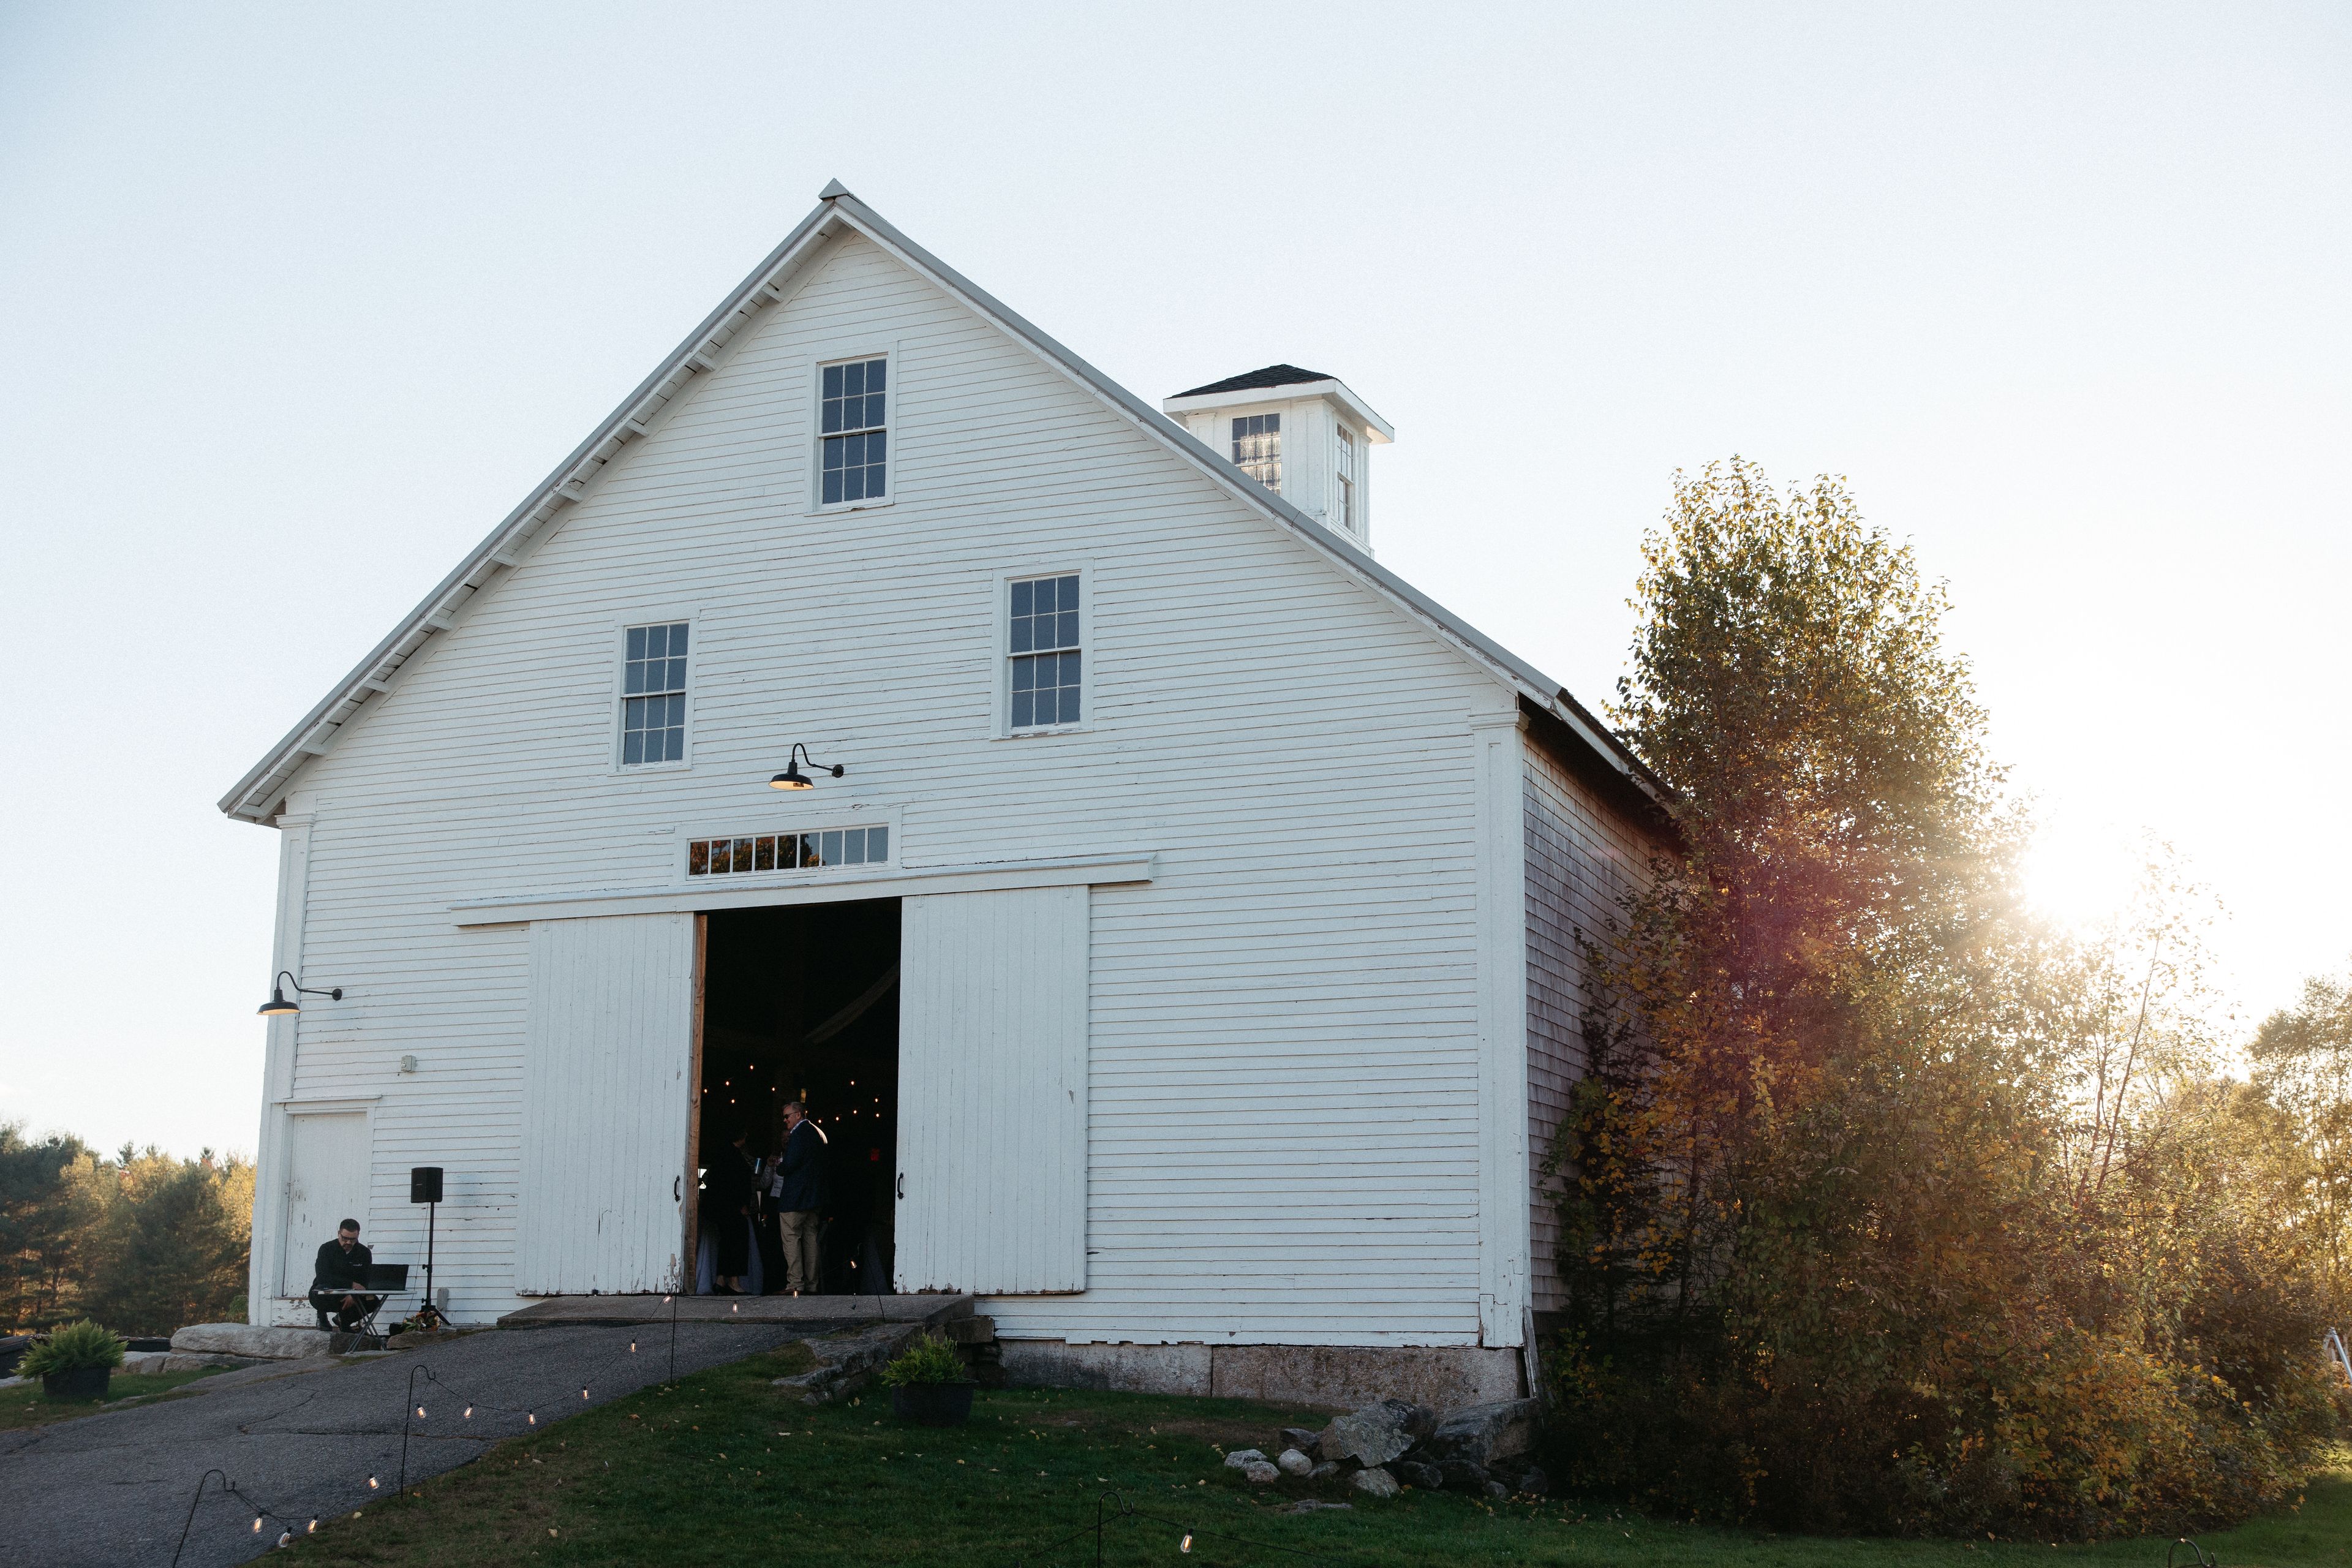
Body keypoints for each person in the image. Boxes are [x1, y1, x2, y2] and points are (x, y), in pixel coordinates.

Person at [774, 1100, 826, 1295]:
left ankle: (795, 1283)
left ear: (798, 1114)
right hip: (814, 1198)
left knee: (791, 1237)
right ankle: (812, 1284)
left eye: (787, 1116)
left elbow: (790, 1164)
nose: (785, 1120)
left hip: (795, 1197)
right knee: (811, 1238)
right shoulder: (819, 1133)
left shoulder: (798, 1134)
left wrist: (780, 1166)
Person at [698, 1123, 758, 1294]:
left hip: (721, 1207)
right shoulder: (733, 1156)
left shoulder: (723, 1153)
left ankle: (721, 1279)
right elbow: (733, 1184)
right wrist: (741, 1204)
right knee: (737, 1240)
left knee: (726, 1242)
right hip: (731, 1208)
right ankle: (734, 1281)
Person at [309, 1219, 380, 1332]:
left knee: (373, 1301)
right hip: (329, 1291)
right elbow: (323, 1276)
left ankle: (344, 1320)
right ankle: (322, 1317)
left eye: (352, 1240)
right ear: (339, 1234)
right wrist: (351, 1285)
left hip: (353, 1294)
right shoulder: (326, 1249)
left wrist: (354, 1295)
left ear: (358, 1236)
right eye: (345, 1238)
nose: (348, 1243)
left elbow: (365, 1279)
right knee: (319, 1292)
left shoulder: (364, 1252)